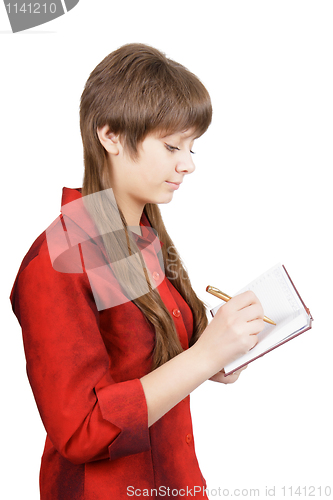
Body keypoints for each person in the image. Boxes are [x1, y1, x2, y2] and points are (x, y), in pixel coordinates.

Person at [10, 43, 265, 499]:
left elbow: (150, 360)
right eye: (171, 146)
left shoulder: (143, 236)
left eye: (191, 146)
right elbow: (81, 430)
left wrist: (219, 357)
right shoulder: (58, 261)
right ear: (109, 136)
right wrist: (202, 357)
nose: (188, 163)